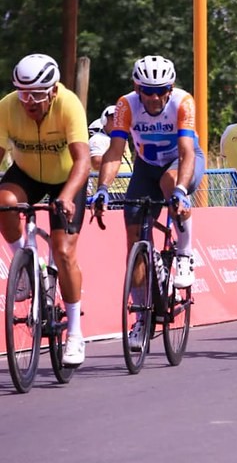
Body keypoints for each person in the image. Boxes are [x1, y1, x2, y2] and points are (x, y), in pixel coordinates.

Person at [92, 55, 206, 351]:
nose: (155, 98)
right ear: (137, 87)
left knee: (171, 184)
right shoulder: (125, 105)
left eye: (161, 90)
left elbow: (186, 151)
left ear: (171, 87)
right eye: (148, 91)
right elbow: (115, 152)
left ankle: (184, 252)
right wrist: (102, 188)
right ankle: (141, 317)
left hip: (181, 162)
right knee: (134, 240)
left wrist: (181, 189)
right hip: (145, 167)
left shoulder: (182, 102)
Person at [0, 54, 90, 366]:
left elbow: (83, 160)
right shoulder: (8, 106)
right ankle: (24, 265)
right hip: (27, 174)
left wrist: (66, 196)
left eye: (36, 95)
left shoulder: (69, 105)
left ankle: (75, 334)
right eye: (23, 94)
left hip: (66, 177)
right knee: (4, 203)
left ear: (52, 91)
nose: (29, 102)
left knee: (63, 251)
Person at [88, 104, 133, 173]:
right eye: (114, 118)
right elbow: (96, 163)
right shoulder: (98, 139)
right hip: (109, 183)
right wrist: (117, 152)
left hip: (125, 183)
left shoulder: (122, 140)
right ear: (105, 120)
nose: (118, 122)